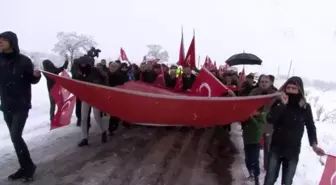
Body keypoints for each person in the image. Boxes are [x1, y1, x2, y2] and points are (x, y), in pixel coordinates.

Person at [264, 76, 325, 185]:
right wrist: (282, 104)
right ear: (285, 88)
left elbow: (310, 126)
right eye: (288, 88)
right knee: (269, 179)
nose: (291, 91)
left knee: (287, 182)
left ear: (299, 90)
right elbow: (270, 119)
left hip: (293, 151)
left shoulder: (305, 107)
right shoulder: (279, 102)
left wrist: (314, 144)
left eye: (294, 88)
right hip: (276, 148)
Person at [0, 31, 41, 182]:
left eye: (3, 40)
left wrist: (36, 76)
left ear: (12, 42)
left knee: (16, 136)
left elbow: (31, 80)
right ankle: (25, 166)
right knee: (15, 139)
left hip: (21, 105)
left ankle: (28, 167)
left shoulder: (24, 61)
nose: (0, 43)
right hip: (6, 105)